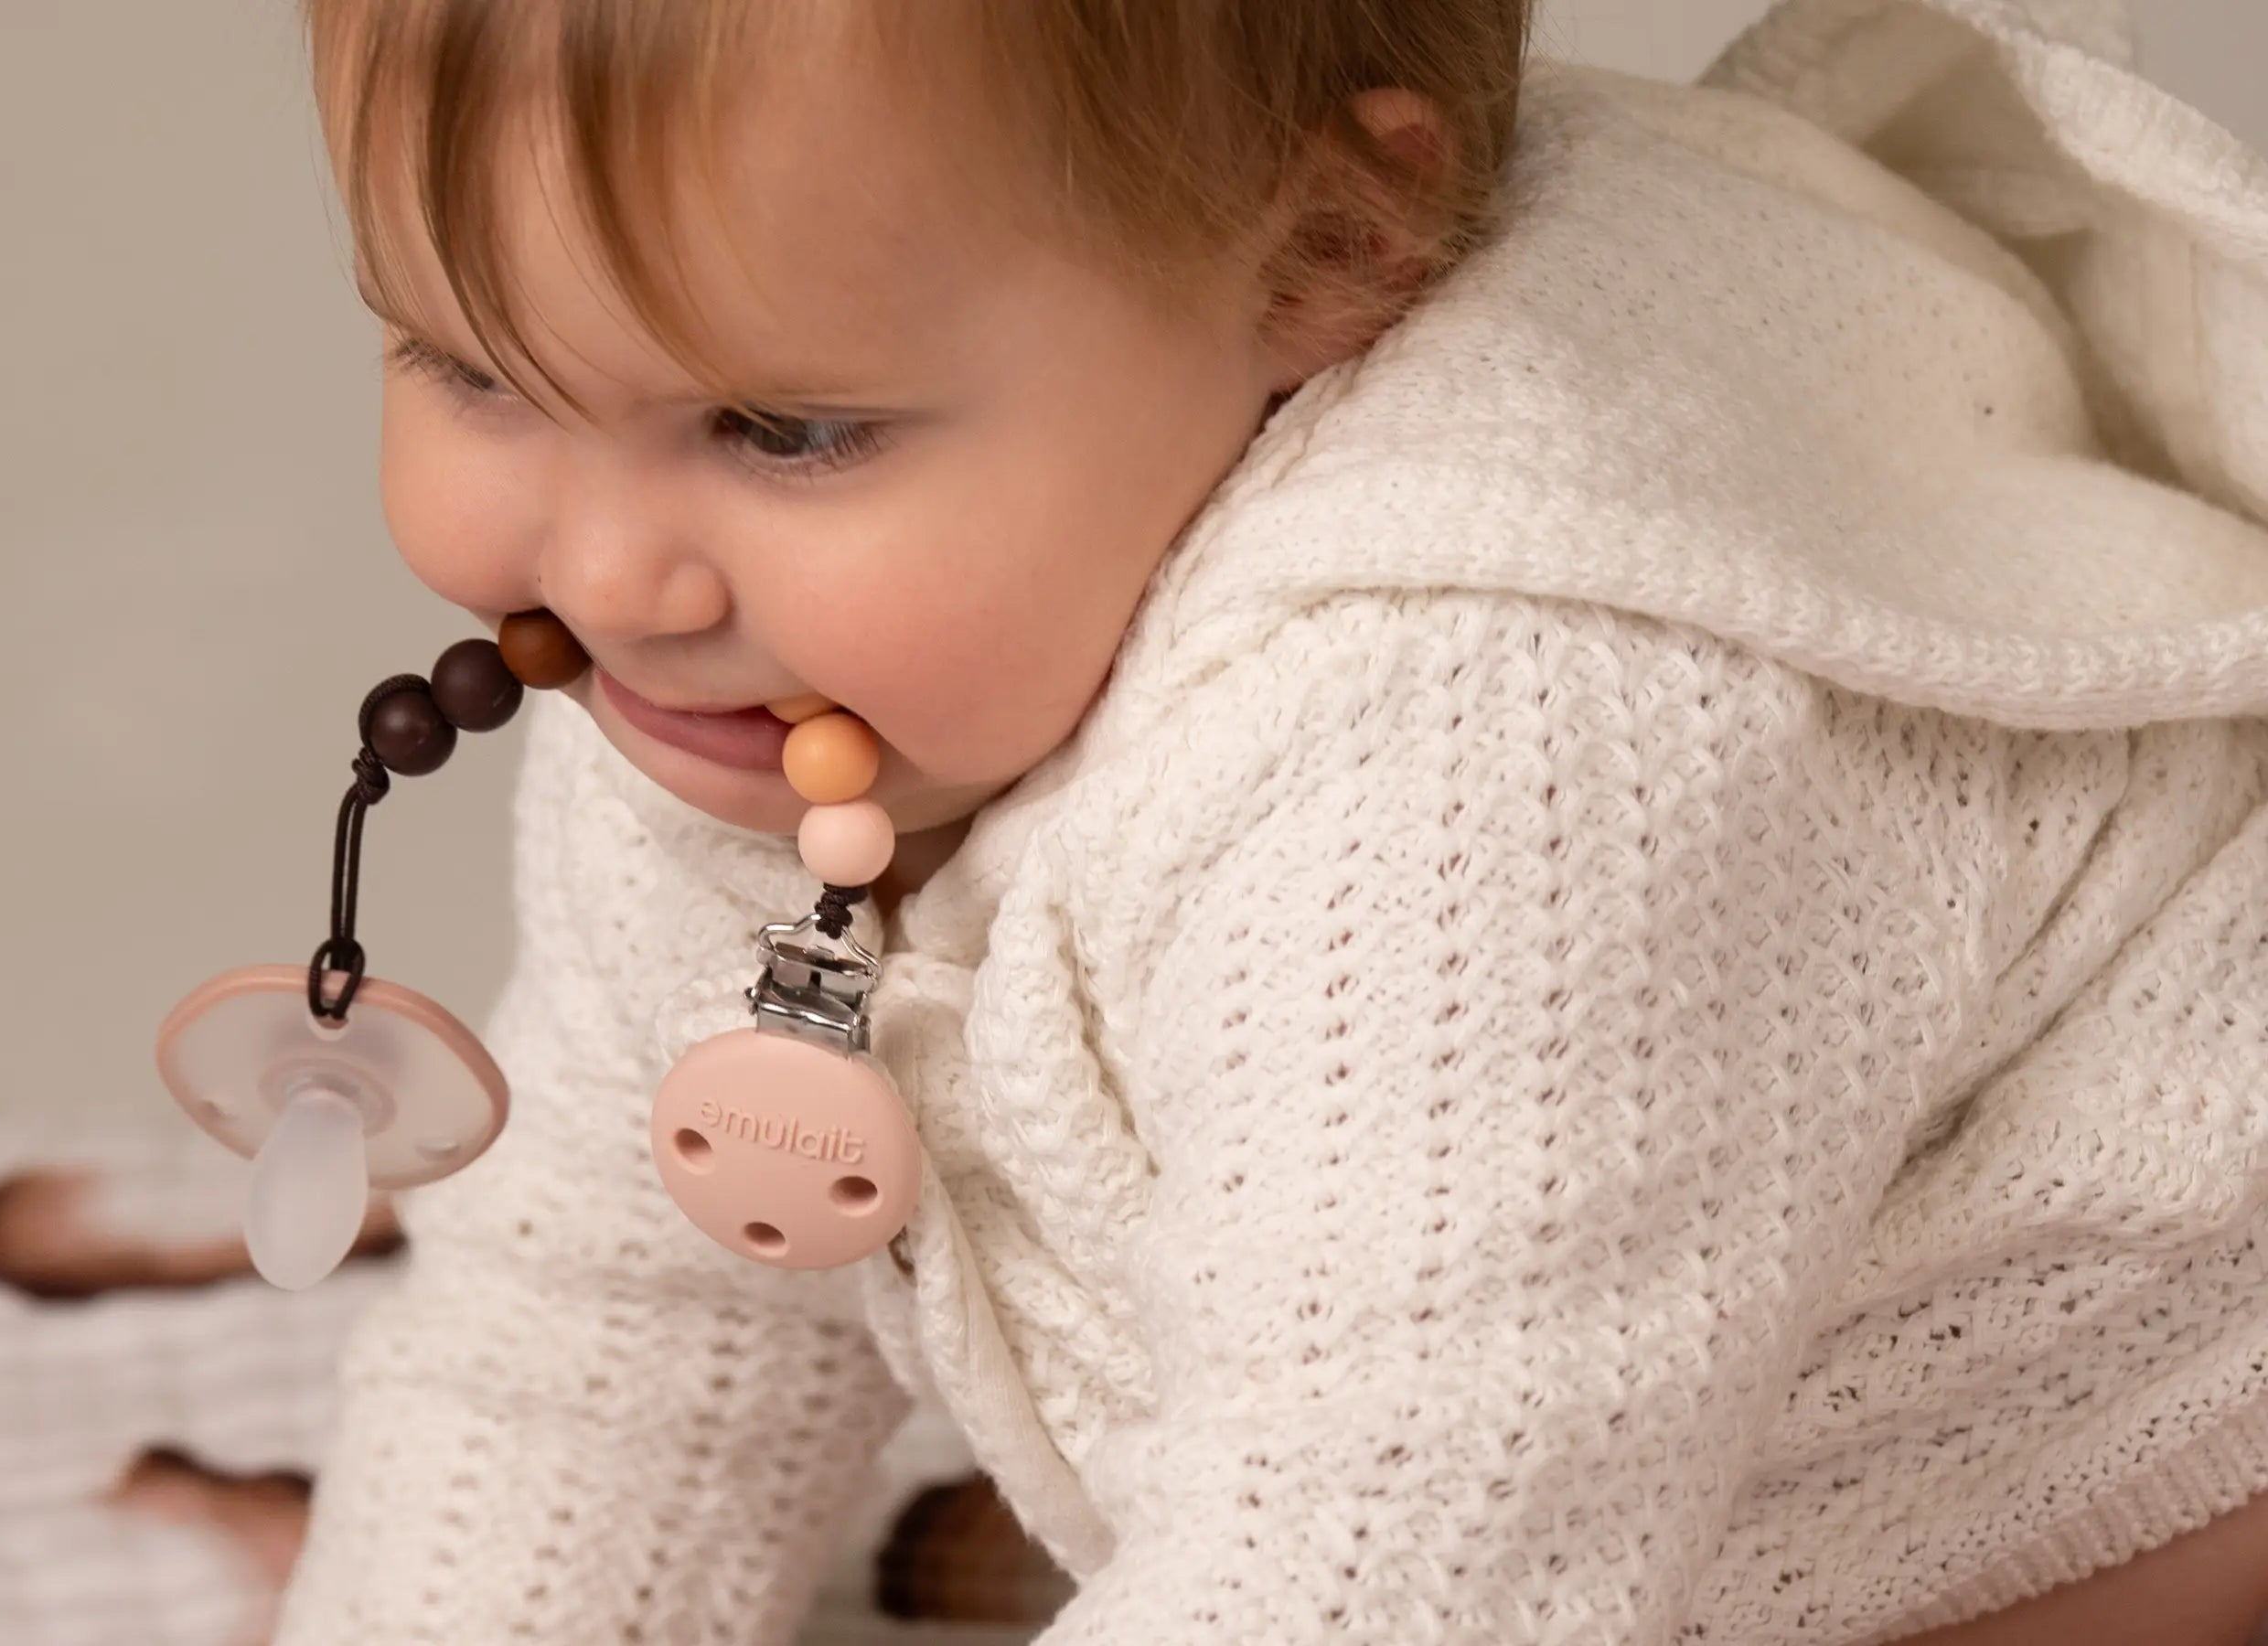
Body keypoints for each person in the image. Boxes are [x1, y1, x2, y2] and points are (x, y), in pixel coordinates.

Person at [282, 0, 2268, 1641]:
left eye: (784, 431)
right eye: (474, 366)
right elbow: (600, 1335)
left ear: (1321, 252)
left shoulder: (1503, 739)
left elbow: (1392, 1548)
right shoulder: (746, 661)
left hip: (2142, 1438)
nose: (611, 571)